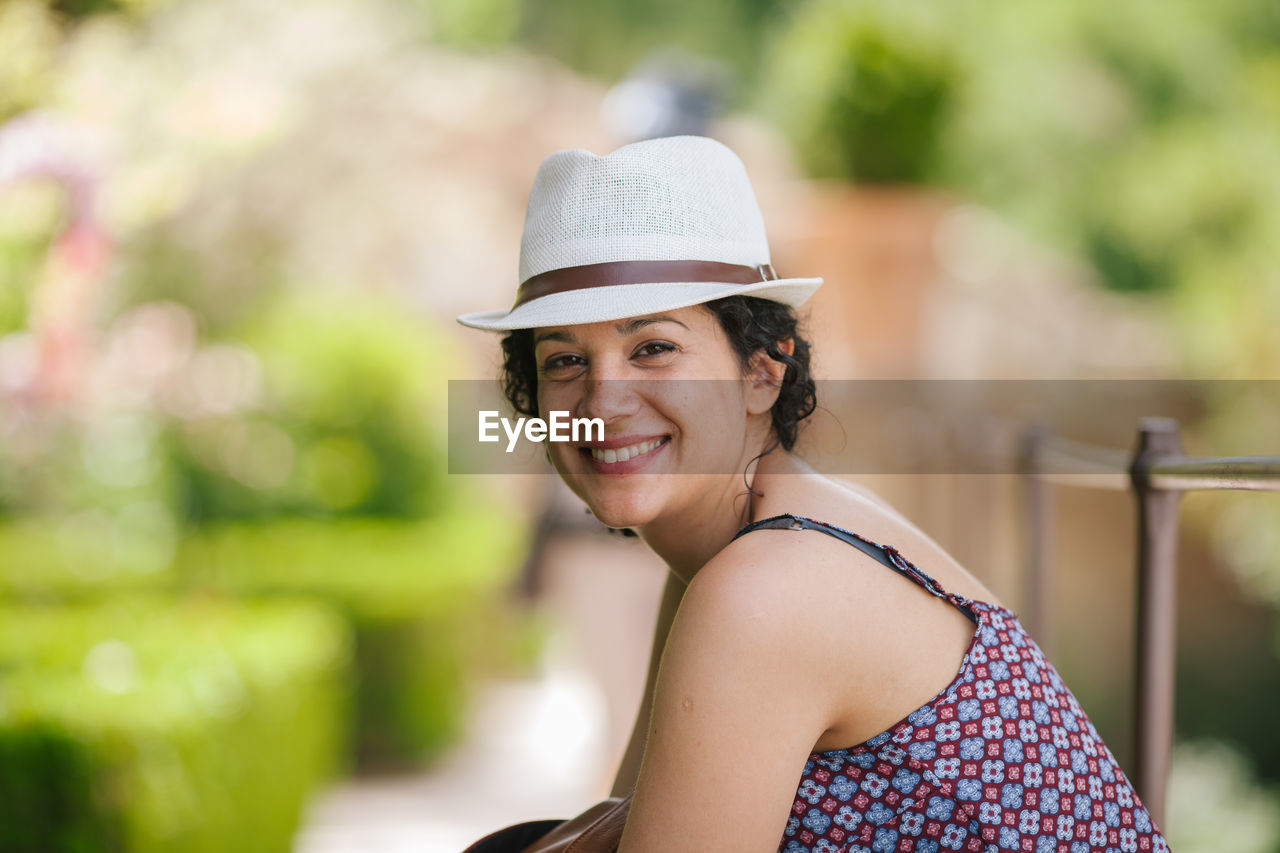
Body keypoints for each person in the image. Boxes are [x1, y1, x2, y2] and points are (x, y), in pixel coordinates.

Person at [457, 135, 1168, 853]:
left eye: (653, 348)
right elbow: (632, 814)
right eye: (566, 359)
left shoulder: (765, 588)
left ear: (762, 372)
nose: (603, 400)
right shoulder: (753, 544)